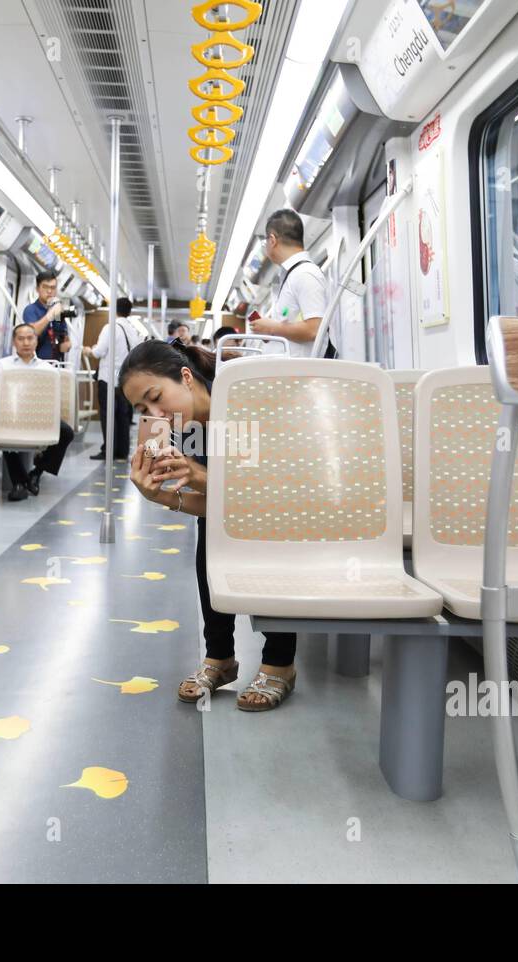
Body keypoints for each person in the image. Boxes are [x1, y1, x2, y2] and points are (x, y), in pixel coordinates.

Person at [119, 341, 297, 712]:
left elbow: (271, 497)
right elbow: (221, 504)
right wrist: (162, 497)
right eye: (143, 410)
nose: (157, 414)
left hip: (291, 510)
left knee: (267, 531)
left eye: (156, 397)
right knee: (212, 526)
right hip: (250, 506)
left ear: (186, 377)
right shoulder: (183, 428)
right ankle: (220, 656)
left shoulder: (245, 402)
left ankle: (280, 660)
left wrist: (202, 475)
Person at [0, 323, 75, 502]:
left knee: (67, 432)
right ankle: (20, 483)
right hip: (11, 416)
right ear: (14, 342)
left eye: (30, 338)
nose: (26, 342)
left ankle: (36, 472)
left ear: (37, 341)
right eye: (21, 339)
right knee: (5, 430)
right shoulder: (2, 366)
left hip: (41, 418)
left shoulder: (48, 370)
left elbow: (54, 400)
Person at [247, 208, 329, 357]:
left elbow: (314, 330)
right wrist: (269, 330)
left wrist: (273, 328)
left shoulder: (305, 274)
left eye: (266, 242)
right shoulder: (292, 275)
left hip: (301, 375)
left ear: (272, 240)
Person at [83, 296, 137, 461]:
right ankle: (122, 450)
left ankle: (109, 450)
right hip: (125, 380)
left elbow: (99, 352)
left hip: (109, 378)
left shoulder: (110, 327)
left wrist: (88, 350)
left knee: (108, 415)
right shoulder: (132, 329)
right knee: (123, 416)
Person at [20, 270, 73, 361]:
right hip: (36, 365)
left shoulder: (57, 313)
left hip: (55, 365)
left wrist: (65, 345)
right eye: (45, 287)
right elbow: (32, 332)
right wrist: (49, 315)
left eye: (53, 288)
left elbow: (61, 336)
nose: (49, 291)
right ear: (37, 289)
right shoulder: (31, 310)